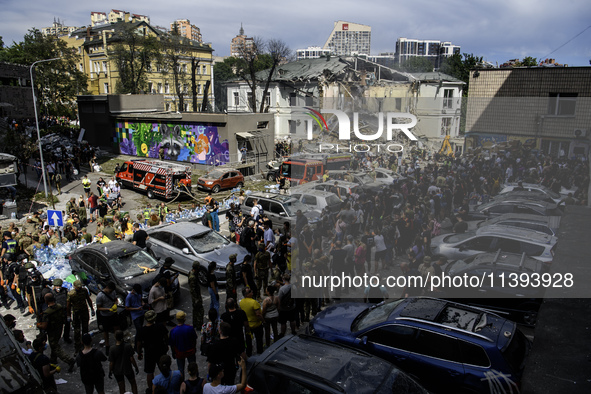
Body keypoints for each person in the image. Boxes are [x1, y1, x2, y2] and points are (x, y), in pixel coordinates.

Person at [37, 293, 76, 372]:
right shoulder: (59, 306)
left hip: (52, 331)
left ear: (46, 301)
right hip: (59, 328)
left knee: (55, 347)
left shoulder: (47, 312)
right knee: (54, 343)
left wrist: (39, 325)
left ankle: (69, 360)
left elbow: (44, 326)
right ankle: (53, 358)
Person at [136, 310, 169, 394]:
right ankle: (167, 385)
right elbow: (166, 337)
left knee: (149, 372)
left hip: (149, 353)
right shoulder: (160, 326)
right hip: (160, 350)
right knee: (164, 368)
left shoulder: (142, 330)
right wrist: (166, 346)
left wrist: (139, 352)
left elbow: (139, 343)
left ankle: (151, 389)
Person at [169, 311, 198, 377]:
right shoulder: (190, 328)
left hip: (179, 352)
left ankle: (182, 382)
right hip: (190, 350)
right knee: (193, 366)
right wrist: (194, 348)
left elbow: (172, 344)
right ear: (184, 319)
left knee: (180, 369)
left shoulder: (173, 331)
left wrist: (173, 352)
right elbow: (194, 339)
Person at [95, 281, 120, 351]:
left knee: (117, 328)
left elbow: (115, 299)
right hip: (105, 316)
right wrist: (108, 309)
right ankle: (107, 345)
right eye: (110, 291)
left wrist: (115, 304)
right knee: (106, 331)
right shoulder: (100, 296)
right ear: (107, 288)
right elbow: (99, 308)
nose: (111, 292)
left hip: (113, 314)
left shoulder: (113, 292)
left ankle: (118, 343)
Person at [239, 287, 264, 356]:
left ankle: (249, 353)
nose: (252, 291)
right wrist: (263, 321)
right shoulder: (254, 302)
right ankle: (260, 353)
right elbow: (258, 314)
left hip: (247, 326)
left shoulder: (241, 302)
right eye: (250, 291)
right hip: (256, 325)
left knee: (248, 340)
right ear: (246, 295)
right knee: (259, 340)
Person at [51, 278, 71, 344]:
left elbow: (68, 301)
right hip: (57, 312)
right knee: (58, 327)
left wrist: (69, 313)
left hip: (65, 310)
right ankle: (57, 339)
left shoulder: (65, 291)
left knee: (67, 325)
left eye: (59, 286)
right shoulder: (52, 293)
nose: (58, 287)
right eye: (57, 286)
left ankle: (66, 337)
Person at [188, 261, 205, 329]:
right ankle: (198, 324)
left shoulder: (191, 273)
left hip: (195, 296)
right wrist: (196, 299)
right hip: (196, 297)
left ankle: (195, 323)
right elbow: (192, 289)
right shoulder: (192, 277)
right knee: (199, 310)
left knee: (195, 310)